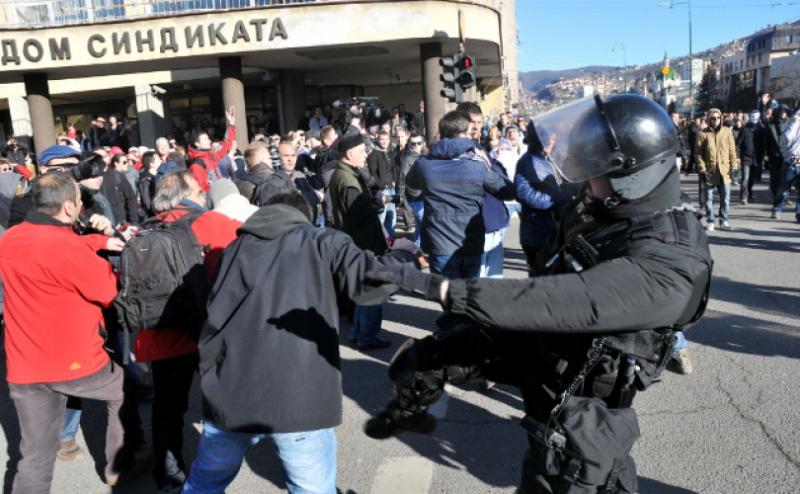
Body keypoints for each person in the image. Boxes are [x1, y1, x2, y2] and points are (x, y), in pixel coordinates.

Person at [365, 94, 713, 494]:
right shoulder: (607, 213)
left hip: (584, 430)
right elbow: (545, 298)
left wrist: (430, 285)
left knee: (573, 477)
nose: (585, 181)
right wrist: (445, 354)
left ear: (629, 175)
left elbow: (559, 301)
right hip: (552, 388)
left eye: (594, 170)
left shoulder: (670, 256)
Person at [183, 191, 416, 494]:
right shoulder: (317, 242)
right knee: (311, 488)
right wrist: (405, 255)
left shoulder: (235, 248)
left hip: (231, 388)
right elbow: (367, 283)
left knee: (206, 481)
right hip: (297, 395)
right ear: (303, 216)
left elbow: (214, 313)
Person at [0, 173, 127, 492]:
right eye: (80, 201)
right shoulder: (68, 248)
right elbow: (108, 292)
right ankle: (116, 463)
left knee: (33, 458)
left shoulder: (10, 239)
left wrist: (95, 241)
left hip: (25, 368)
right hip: (77, 363)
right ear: (69, 207)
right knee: (122, 390)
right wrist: (105, 249)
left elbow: (48, 253)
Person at [136, 171, 241, 491]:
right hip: (208, 331)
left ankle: (169, 475)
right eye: (199, 189)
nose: (204, 193)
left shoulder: (143, 232)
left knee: (167, 408)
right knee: (219, 403)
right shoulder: (217, 224)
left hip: (159, 336)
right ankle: (215, 468)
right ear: (188, 195)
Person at [406, 110, 512, 279]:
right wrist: (489, 163)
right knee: (469, 295)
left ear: (441, 134)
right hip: (470, 241)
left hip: (440, 242)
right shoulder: (477, 164)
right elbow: (507, 191)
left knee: (447, 296)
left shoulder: (423, 165)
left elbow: (411, 189)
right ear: (464, 133)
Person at [329, 135, 392, 350]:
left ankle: (358, 333)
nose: (366, 154)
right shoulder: (347, 180)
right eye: (363, 151)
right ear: (349, 154)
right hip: (362, 244)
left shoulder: (345, 174)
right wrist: (376, 204)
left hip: (356, 243)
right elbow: (359, 215)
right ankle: (366, 337)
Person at [514, 120, 571, 274]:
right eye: (548, 138)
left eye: (553, 138)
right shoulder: (528, 162)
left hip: (549, 230)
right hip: (537, 232)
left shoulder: (547, 159)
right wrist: (556, 200)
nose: (552, 142)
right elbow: (524, 193)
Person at [695, 108, 738, 231]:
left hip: (725, 170)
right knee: (708, 198)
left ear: (721, 119)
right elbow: (698, 154)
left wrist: (734, 167)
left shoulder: (727, 132)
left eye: (718, 118)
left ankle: (724, 220)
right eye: (713, 118)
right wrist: (702, 169)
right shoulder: (702, 134)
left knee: (725, 198)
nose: (716, 120)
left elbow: (732, 151)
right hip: (710, 170)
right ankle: (711, 220)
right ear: (709, 119)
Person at [188, 107, 237, 193]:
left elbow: (226, 144)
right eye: (205, 139)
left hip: (220, 195)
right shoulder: (196, 166)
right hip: (211, 201)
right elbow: (200, 190)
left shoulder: (211, 156)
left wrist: (231, 124)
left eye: (208, 138)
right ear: (197, 144)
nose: (209, 141)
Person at [771, 109, 800, 221]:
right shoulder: (790, 125)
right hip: (791, 162)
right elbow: (787, 138)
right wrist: (795, 123)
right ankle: (777, 209)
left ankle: (799, 214)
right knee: (783, 191)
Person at [101, 154, 139, 226]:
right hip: (114, 220)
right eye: (124, 162)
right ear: (116, 163)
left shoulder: (120, 176)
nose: (127, 164)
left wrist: (134, 220)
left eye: (127, 162)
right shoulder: (115, 176)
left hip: (122, 220)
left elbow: (131, 198)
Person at [737, 110, 759, 204]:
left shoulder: (761, 129)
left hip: (756, 158)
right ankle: (744, 196)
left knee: (752, 179)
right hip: (746, 157)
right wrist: (737, 156)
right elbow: (738, 144)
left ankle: (749, 193)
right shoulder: (744, 129)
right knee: (745, 178)